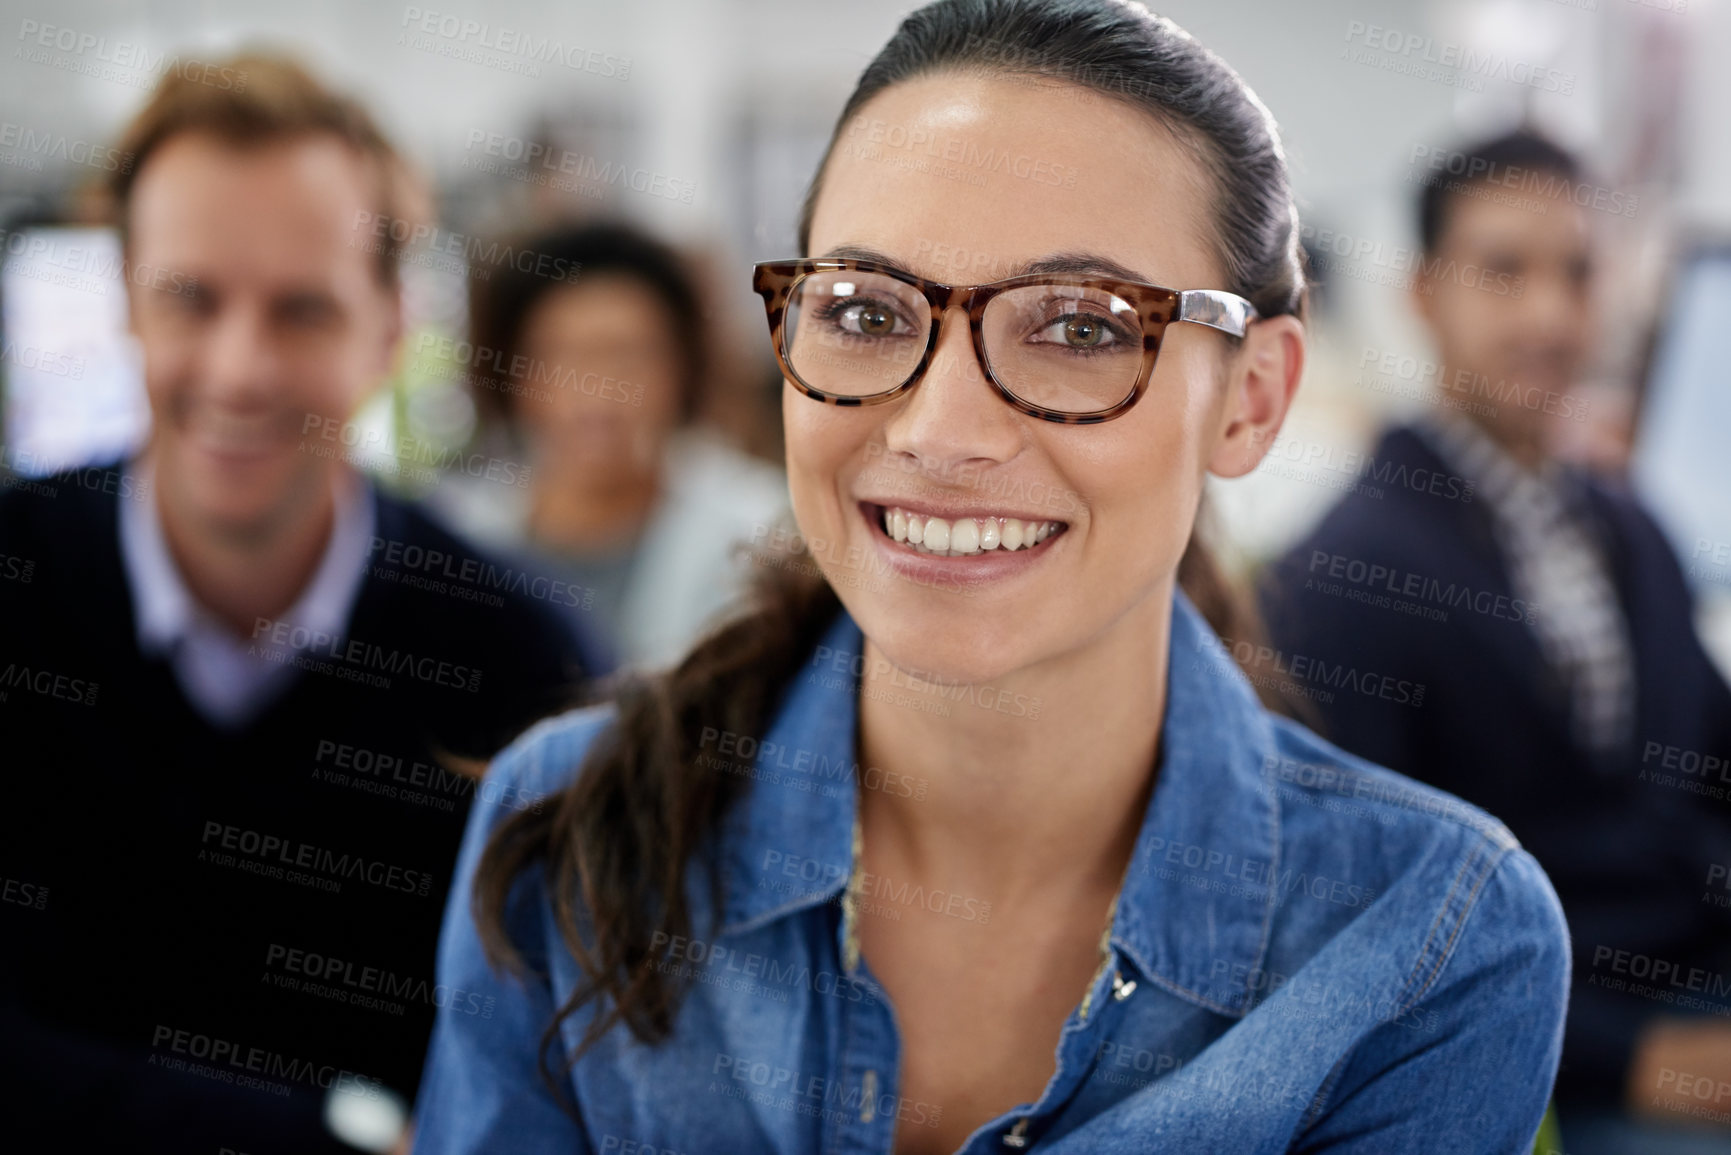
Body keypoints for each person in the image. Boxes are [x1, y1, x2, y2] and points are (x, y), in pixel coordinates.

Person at [413, 3, 1570, 1151]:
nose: (941, 430)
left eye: (1080, 328)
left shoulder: (1430, 941)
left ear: (1252, 398)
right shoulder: (571, 825)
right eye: (864, 311)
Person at [0, 54, 596, 1152]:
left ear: (387, 328)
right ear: (124, 301)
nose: (239, 369)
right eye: (192, 298)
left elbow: (561, 1085)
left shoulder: (527, 681)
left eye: (302, 310)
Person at [1261, 130, 1731, 1153]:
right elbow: (1371, 952)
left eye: (1577, 272)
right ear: (1425, 294)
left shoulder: (1623, 525)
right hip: (1568, 1045)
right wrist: (1647, 1061)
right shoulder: (1345, 577)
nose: (1552, 315)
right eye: (1506, 271)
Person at [438, 222, 789, 671]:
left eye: (626, 355)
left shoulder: (764, 532)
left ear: (682, 370)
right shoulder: (464, 540)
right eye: (559, 356)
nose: (595, 390)